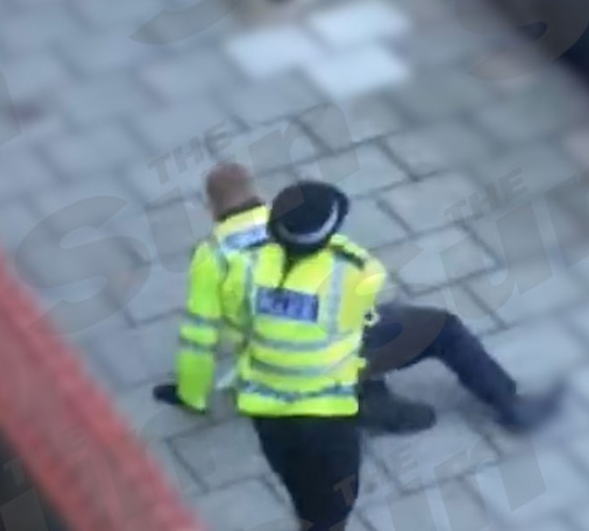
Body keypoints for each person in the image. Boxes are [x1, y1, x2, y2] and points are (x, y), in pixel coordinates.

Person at [154, 164, 564, 433]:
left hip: (264, 366)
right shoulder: (309, 232)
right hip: (330, 362)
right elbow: (360, 297)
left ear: (211, 210)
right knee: (440, 329)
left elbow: (197, 338)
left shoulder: (209, 258)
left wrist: (191, 395)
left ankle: (367, 398)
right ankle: (510, 408)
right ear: (260, 193)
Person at [160, 179, 388, 531]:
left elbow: (221, 327)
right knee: (336, 500)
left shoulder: (241, 268)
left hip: (266, 408)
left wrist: (192, 394)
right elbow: (363, 310)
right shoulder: (357, 270)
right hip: (328, 409)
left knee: (296, 482)